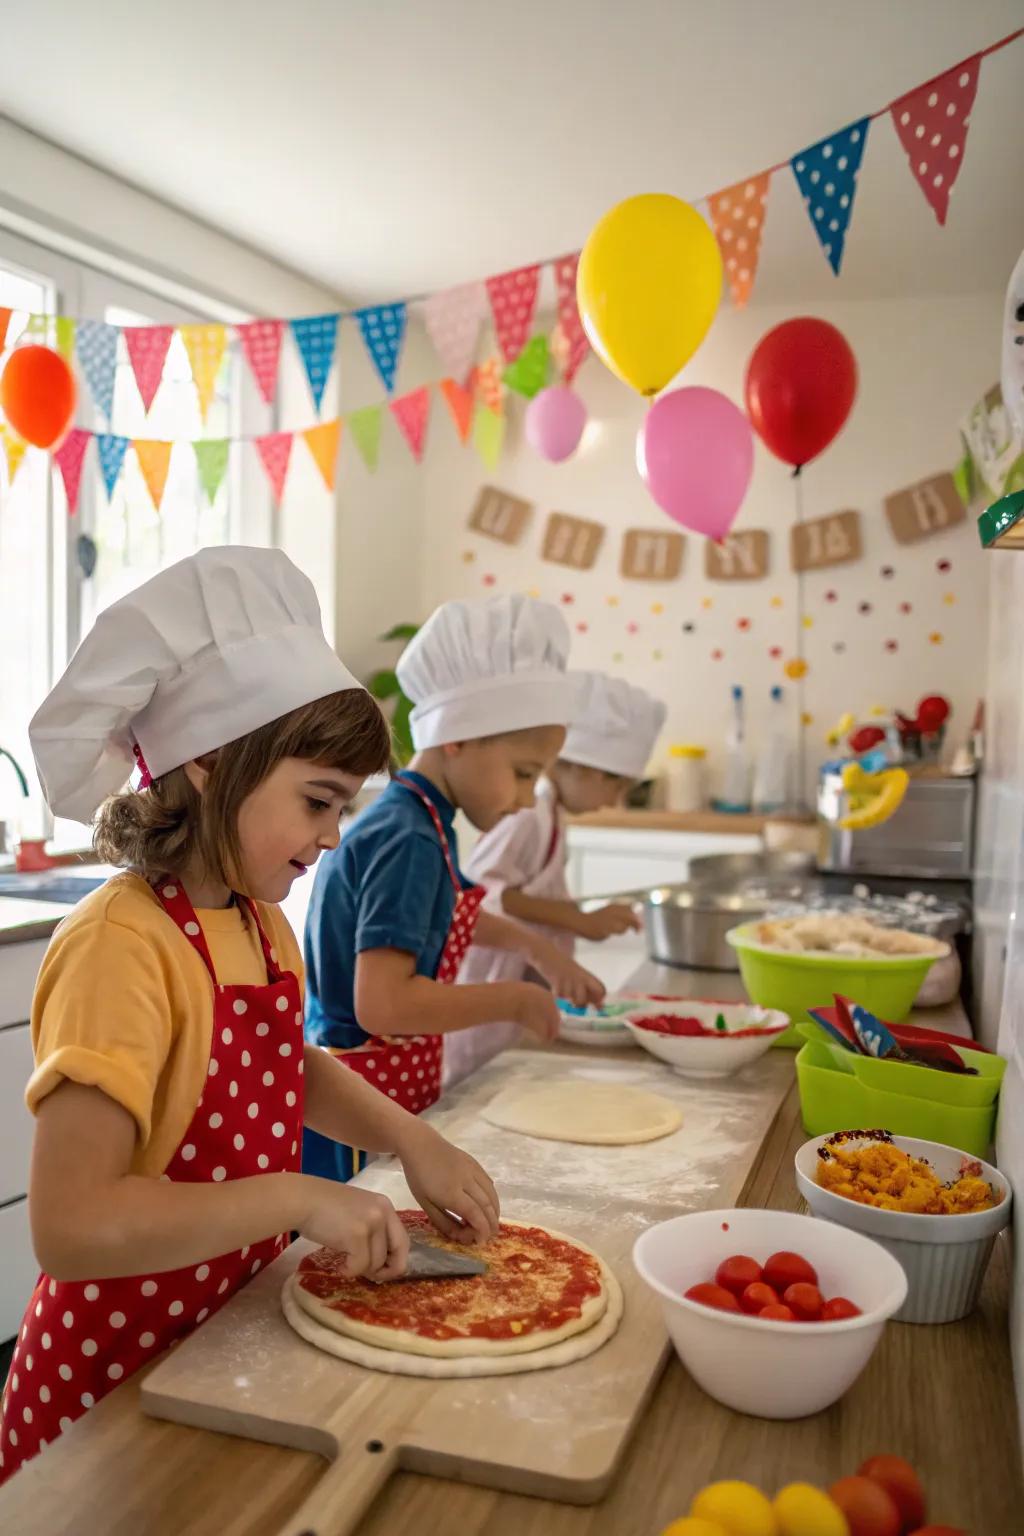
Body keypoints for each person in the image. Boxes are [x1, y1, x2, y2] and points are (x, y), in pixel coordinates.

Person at [0, 548, 497, 1487]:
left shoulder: (261, 919)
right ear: (209, 764)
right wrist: (300, 1197)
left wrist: (406, 1138)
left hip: (221, 1334)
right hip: (110, 1391)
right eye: (318, 801)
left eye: (344, 807)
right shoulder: (122, 944)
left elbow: (285, 1067)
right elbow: (69, 1223)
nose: (333, 835)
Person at [303, 594, 604, 1180]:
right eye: (522, 774)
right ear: (458, 738)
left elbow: (451, 915)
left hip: (379, 1097)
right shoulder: (408, 840)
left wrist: (533, 949)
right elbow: (384, 1003)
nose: (523, 801)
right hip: (360, 1112)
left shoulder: (418, 818)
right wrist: (515, 1000)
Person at [458, 671, 667, 1004]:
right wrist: (578, 920)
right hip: (489, 986)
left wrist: (586, 914)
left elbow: (531, 894)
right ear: (584, 767)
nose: (615, 802)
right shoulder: (530, 812)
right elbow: (483, 893)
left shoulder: (553, 812)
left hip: (519, 986)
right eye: (617, 786)